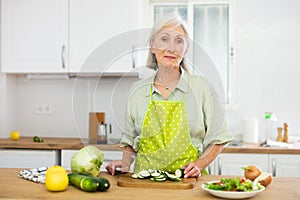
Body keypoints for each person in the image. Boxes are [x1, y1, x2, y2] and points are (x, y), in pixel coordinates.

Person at [106, 15, 233, 178]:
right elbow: (130, 141)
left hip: (189, 183)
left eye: (179, 41)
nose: (171, 48)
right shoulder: (137, 91)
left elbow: (219, 138)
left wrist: (199, 165)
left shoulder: (201, 88)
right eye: (164, 39)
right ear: (152, 46)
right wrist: (125, 163)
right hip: (144, 183)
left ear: (186, 50)